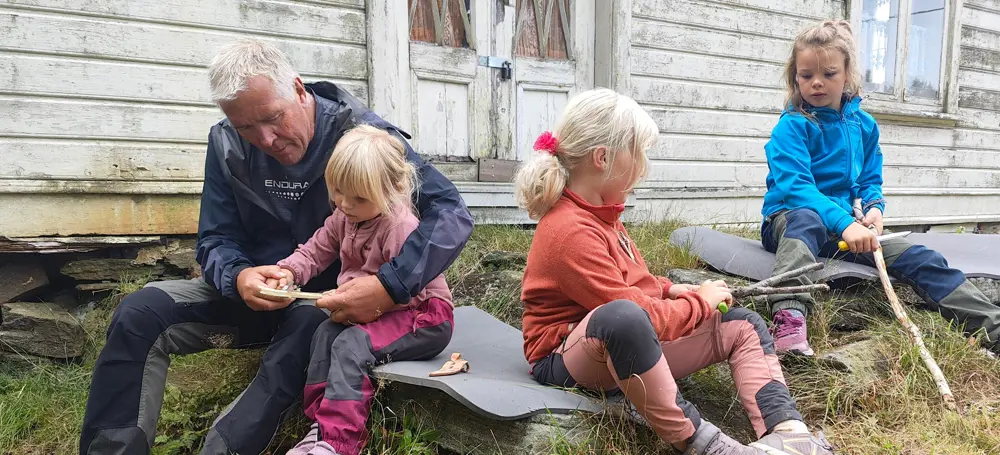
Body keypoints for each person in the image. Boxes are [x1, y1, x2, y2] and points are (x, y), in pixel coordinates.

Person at [79, 39, 473, 455]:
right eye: (246, 127)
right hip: (256, 294)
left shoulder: (361, 138)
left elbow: (449, 212)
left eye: (272, 118)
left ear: (300, 90)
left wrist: (388, 287)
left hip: (324, 305)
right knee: (139, 312)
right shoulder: (225, 143)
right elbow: (215, 239)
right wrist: (239, 276)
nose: (264, 138)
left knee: (305, 332)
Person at [515, 88, 834, 455]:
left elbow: (634, 281)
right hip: (564, 357)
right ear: (603, 158)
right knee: (625, 319)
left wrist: (671, 290)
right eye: (637, 153)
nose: (643, 166)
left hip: (622, 346)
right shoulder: (568, 229)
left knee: (742, 325)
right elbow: (634, 312)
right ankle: (707, 445)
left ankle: (789, 433)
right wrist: (700, 304)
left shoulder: (603, 213)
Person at [760, 20, 1000, 357]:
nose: (816, 82)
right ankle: (788, 323)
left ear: (847, 76)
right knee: (807, 218)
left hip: (844, 227)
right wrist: (845, 223)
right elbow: (796, 188)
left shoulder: (865, 126)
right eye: (806, 75)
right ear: (794, 77)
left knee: (921, 256)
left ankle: (993, 327)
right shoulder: (792, 127)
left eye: (828, 74)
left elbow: (870, 180)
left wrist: (874, 209)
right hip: (789, 222)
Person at [275, 125, 454, 455]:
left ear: (392, 189)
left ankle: (340, 442)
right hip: (374, 311)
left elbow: (411, 291)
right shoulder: (346, 215)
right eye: (338, 191)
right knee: (323, 336)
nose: (344, 203)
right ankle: (322, 426)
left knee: (350, 345)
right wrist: (289, 270)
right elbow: (317, 248)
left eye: (358, 197)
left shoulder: (398, 226)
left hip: (423, 315)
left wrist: (359, 301)